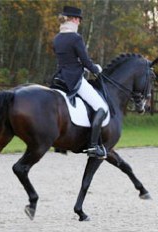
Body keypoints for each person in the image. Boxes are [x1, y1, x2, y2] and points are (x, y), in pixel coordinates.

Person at [52, 6, 108, 159]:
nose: (79, 22)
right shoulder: (76, 38)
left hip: (59, 78)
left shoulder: (57, 38)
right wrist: (95, 69)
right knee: (101, 107)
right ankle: (93, 146)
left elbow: (65, 59)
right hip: (74, 79)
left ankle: (60, 143)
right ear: (74, 19)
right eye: (79, 19)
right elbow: (84, 60)